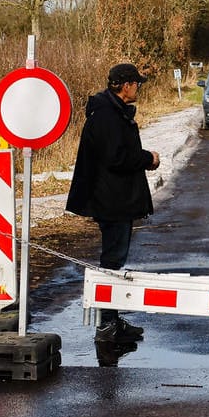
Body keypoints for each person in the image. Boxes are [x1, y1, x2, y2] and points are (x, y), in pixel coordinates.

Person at [65, 62, 160, 341]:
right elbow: (116, 157)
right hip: (112, 199)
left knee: (115, 259)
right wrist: (147, 159)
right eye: (137, 84)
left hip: (114, 197)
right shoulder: (107, 115)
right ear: (126, 85)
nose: (138, 89)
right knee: (112, 260)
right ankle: (108, 323)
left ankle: (112, 320)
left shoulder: (110, 111)